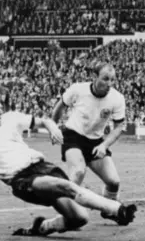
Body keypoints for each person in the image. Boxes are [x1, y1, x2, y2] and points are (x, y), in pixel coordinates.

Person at [0, 88, 137, 236]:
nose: (0, 112)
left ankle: (43, 227)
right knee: (65, 185)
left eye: (0, 107)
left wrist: (53, 127)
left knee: (79, 219)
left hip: (43, 167)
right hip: (21, 179)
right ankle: (117, 209)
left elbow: (43, 120)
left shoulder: (11, 118)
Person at [51, 62, 127, 224]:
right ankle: (67, 213)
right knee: (78, 172)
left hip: (96, 142)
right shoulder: (78, 89)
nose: (109, 84)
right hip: (73, 136)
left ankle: (109, 210)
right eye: (105, 79)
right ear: (94, 77)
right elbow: (59, 107)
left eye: (112, 80)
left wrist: (104, 145)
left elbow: (119, 126)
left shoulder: (117, 98)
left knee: (114, 182)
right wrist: (53, 128)